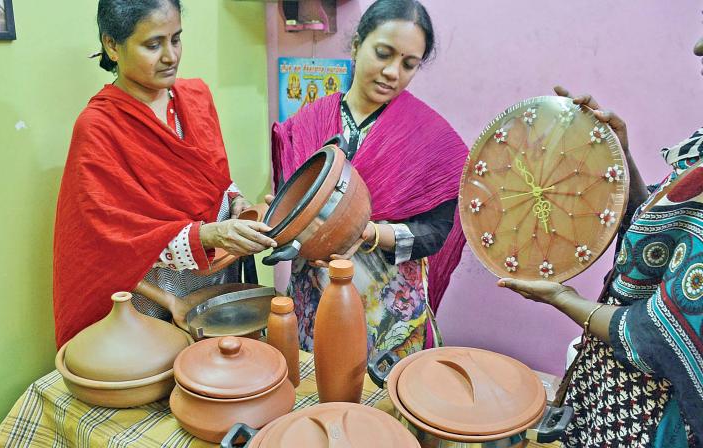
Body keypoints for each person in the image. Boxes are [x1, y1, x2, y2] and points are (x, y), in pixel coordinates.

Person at [498, 34, 703, 447]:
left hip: (657, 421)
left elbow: (663, 335)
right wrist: (619, 160)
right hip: (620, 399)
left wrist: (562, 298)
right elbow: (662, 246)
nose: (698, 46)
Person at [52, 0, 275, 348]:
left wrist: (236, 201)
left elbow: (214, 179)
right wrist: (177, 294)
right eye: (153, 44)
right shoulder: (98, 128)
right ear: (112, 44)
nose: (171, 56)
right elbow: (104, 246)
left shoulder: (196, 97)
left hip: (216, 284)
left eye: (176, 39)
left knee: (222, 369)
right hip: (152, 301)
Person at [271, 0, 468, 359]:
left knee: (383, 407)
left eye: (409, 64)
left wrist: (371, 234)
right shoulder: (307, 123)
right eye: (383, 53)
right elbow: (292, 203)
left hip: (387, 311)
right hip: (313, 298)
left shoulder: (432, 140)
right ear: (356, 44)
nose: (393, 72)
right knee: (317, 401)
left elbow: (438, 232)